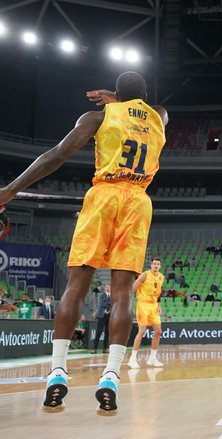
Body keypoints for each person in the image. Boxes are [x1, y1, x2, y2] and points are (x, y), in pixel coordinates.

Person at [0, 71, 168, 415]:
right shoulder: (159, 118)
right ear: (145, 96)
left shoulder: (97, 117)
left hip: (104, 195)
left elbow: (57, 155)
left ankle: (57, 371)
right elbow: (152, 108)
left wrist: (11, 189)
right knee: (122, 291)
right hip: (138, 201)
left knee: (76, 286)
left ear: (116, 95)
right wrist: (125, 101)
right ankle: (110, 376)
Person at [127, 258, 165, 369]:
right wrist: (130, 303)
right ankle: (132, 359)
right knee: (142, 331)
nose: (156, 265)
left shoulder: (161, 277)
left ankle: (152, 358)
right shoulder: (144, 275)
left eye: (158, 264)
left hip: (153, 306)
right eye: (154, 264)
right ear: (151, 265)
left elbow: (158, 293)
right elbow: (132, 289)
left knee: (158, 331)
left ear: (160, 266)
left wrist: (159, 305)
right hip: (143, 304)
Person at [93, 286, 112, 354]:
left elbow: (113, 304)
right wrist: (109, 305)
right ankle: (94, 348)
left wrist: (108, 304)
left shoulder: (113, 296)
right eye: (106, 287)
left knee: (107, 332)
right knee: (99, 332)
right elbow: (102, 304)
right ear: (105, 288)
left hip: (109, 315)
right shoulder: (102, 296)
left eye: (109, 287)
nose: (108, 288)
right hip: (102, 315)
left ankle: (105, 348)